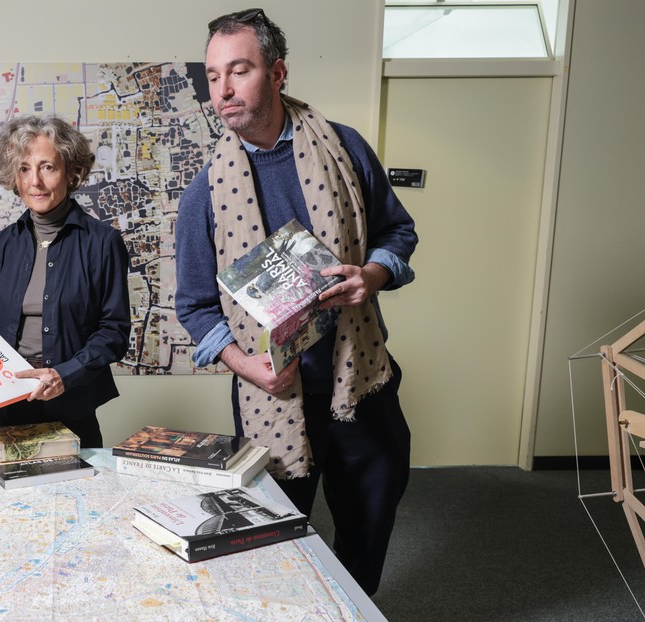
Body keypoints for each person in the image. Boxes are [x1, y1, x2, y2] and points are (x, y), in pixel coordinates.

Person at [175, 9, 418, 595]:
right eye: (213, 76)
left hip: (360, 384)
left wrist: (374, 276)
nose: (223, 90)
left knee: (365, 533)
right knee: (272, 548)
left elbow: (397, 233)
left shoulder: (345, 147)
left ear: (277, 72)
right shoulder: (204, 191)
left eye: (240, 70)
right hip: (273, 398)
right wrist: (245, 365)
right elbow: (195, 307)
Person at [0, 115, 130, 448]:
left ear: (70, 171)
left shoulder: (103, 243)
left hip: (73, 405)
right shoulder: (2, 245)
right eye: (24, 169)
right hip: (8, 404)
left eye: (47, 167)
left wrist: (66, 374)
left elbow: (114, 332)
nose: (36, 182)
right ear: (12, 177)